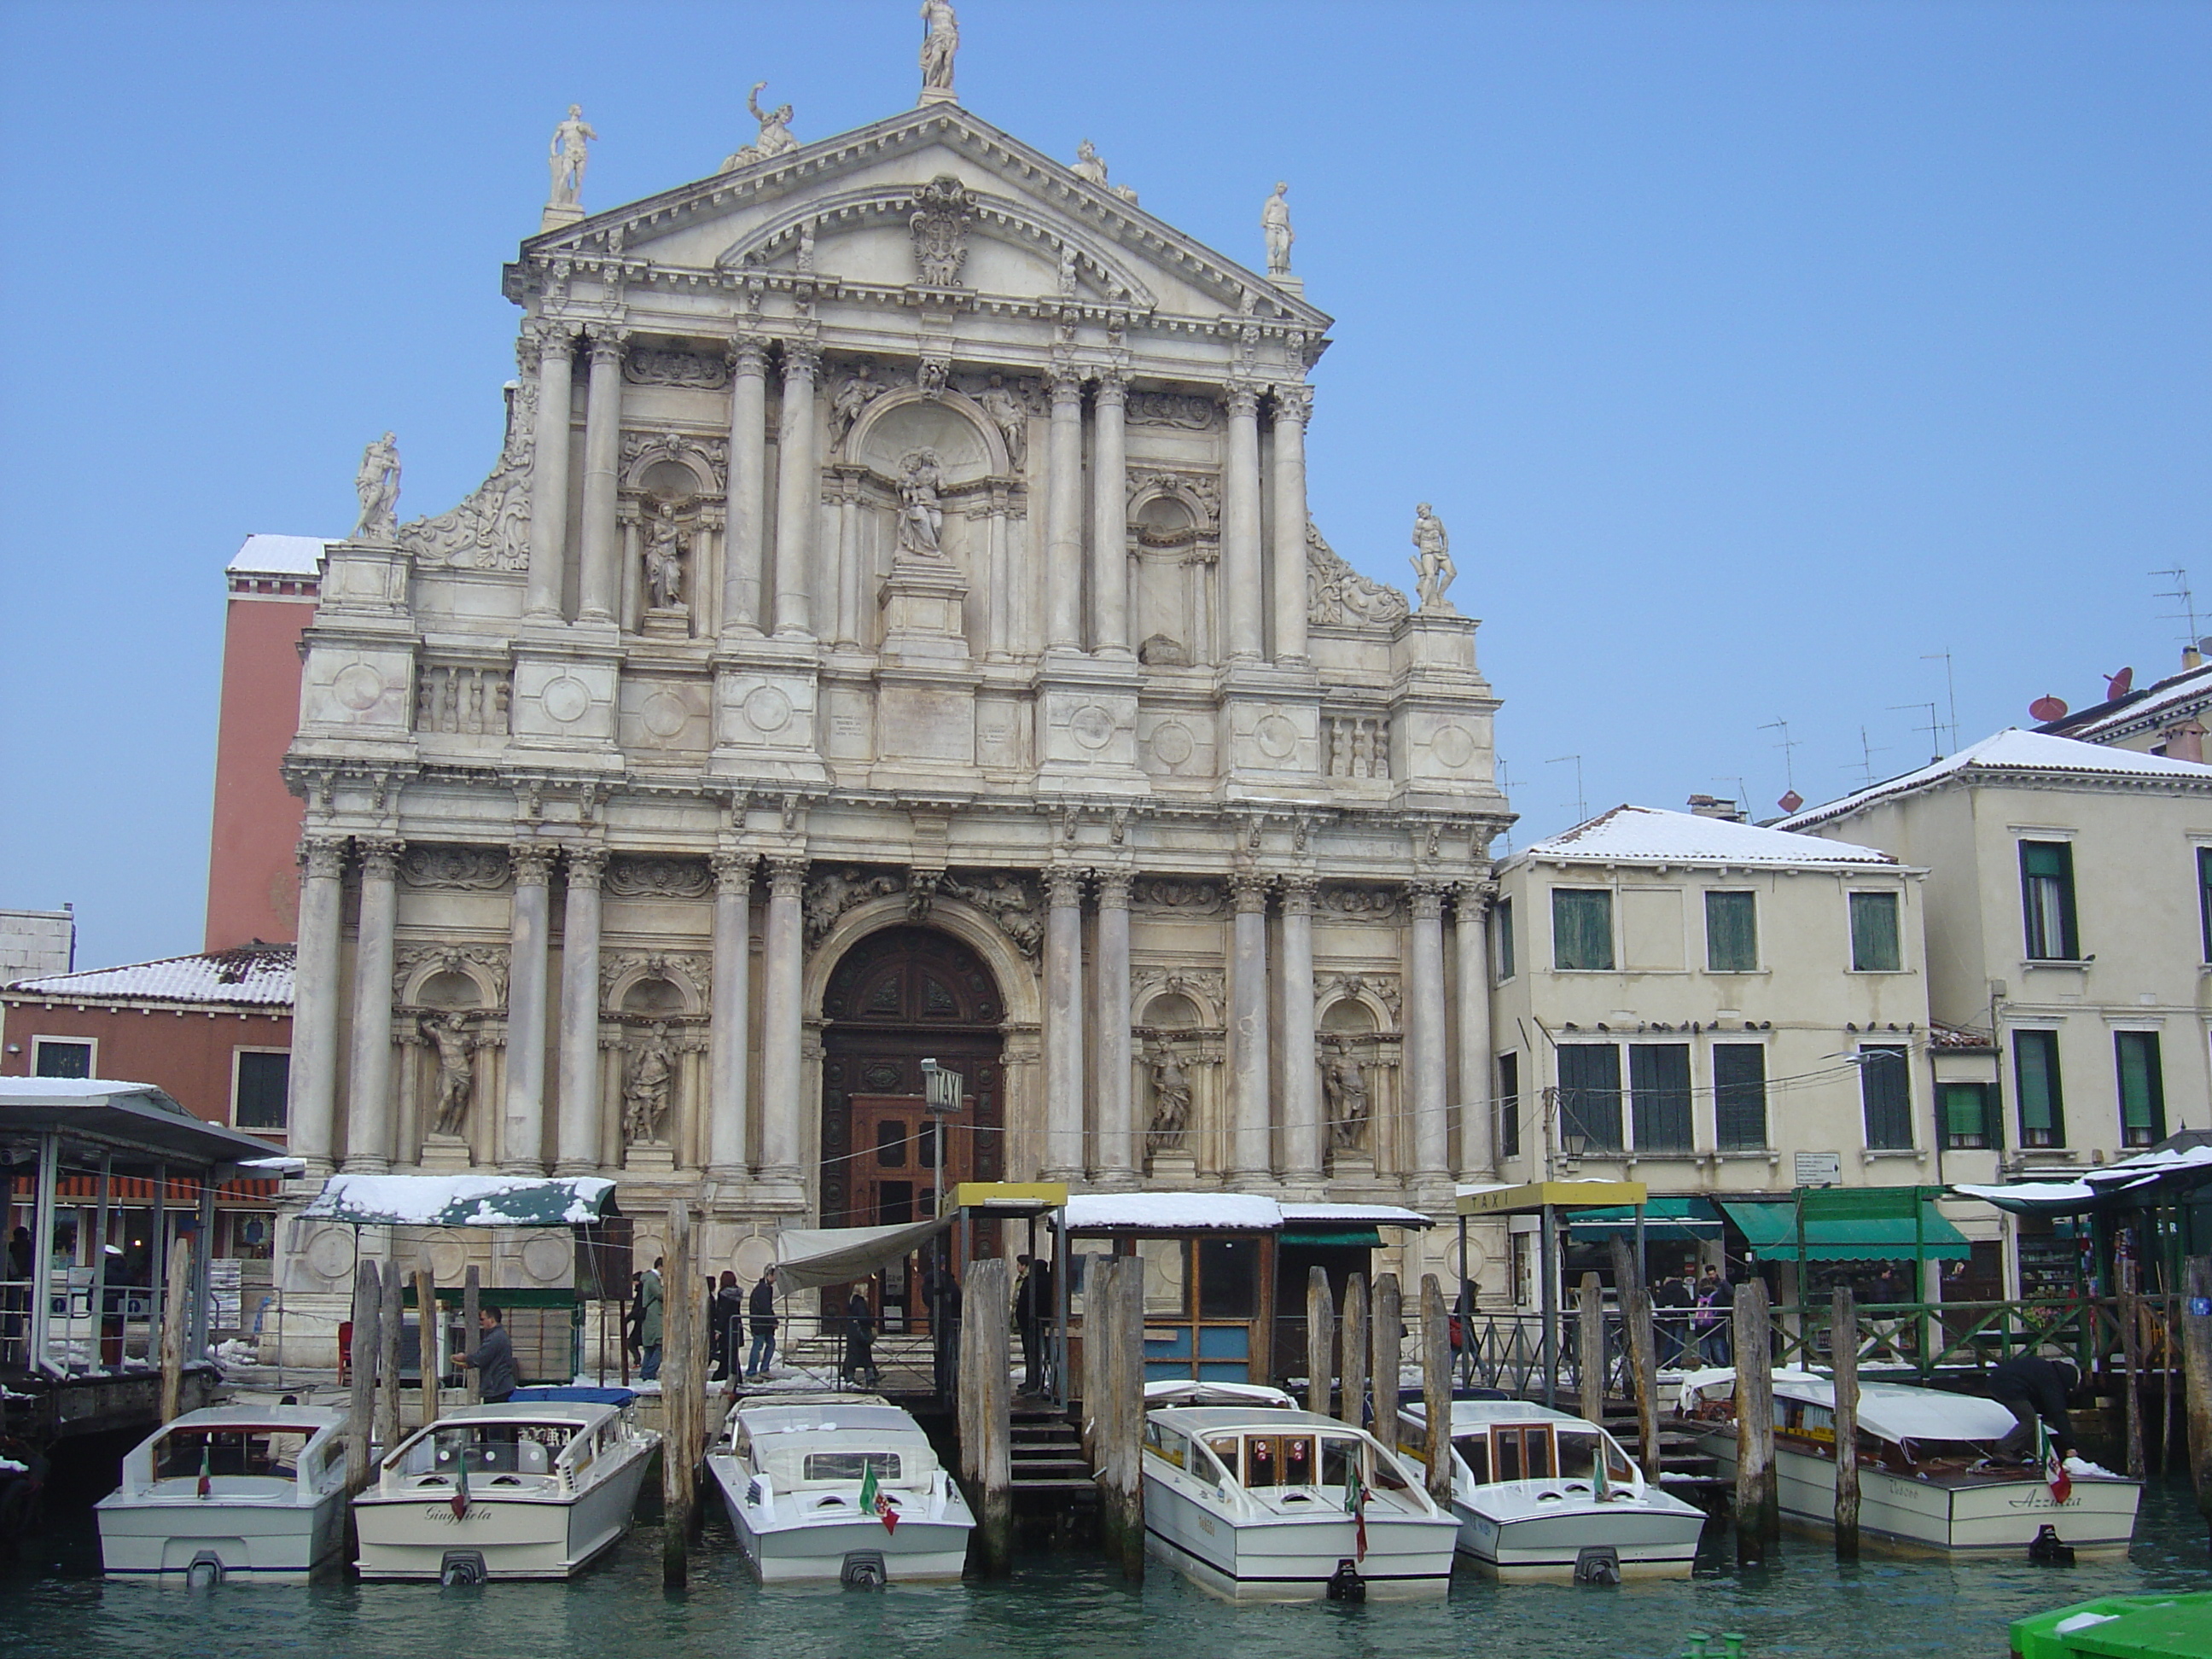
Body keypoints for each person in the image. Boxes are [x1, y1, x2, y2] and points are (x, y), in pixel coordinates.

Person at [1988, 1353, 2079, 1464]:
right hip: (2009, 1386)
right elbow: (2058, 1413)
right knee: (2029, 1420)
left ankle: (2025, 1451)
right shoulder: (2052, 1380)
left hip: (1997, 1379)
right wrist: (2070, 1445)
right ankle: (2004, 1450)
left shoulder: (2046, 1368)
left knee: (2031, 1417)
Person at [455, 1306, 518, 1403]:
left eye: (483, 1319)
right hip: (501, 1385)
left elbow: (481, 1358)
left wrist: (465, 1358)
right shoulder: (499, 1335)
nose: (481, 1322)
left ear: (491, 1320)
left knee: (493, 1415)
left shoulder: (495, 1338)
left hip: (496, 1387)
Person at [1015, 1254, 1052, 1394]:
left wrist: (1020, 1321)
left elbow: (1022, 1303)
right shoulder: (1050, 1281)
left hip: (1030, 1323)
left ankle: (1032, 1381)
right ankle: (1039, 1382)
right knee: (1043, 1355)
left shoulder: (1030, 1281)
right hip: (1045, 1322)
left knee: (1031, 1354)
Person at [1651, 1266, 1695, 1369]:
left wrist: (1664, 1314)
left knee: (1668, 1340)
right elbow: (1688, 1305)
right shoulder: (1683, 1291)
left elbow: (1659, 1304)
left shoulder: (1664, 1290)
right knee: (1678, 1341)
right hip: (1680, 1318)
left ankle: (1666, 1362)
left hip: (1667, 1319)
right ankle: (1676, 1362)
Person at [711, 1271, 747, 1382]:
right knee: (732, 1355)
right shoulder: (737, 1294)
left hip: (727, 1329)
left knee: (727, 1354)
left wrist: (718, 1330)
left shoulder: (724, 1294)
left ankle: (725, 1376)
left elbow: (723, 1313)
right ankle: (733, 1377)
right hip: (736, 1327)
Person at [1692, 1267, 1732, 1366]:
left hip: (1702, 1324)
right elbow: (1725, 1303)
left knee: (1704, 1346)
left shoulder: (1699, 1296)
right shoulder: (1717, 1294)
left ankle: (1704, 1365)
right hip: (1717, 1323)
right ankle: (1722, 1365)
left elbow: (1691, 1306)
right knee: (1718, 1346)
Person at [844, 1283, 880, 1388]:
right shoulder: (860, 1302)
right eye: (866, 1290)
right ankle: (870, 1377)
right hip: (860, 1332)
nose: (868, 1292)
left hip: (852, 1332)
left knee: (853, 1356)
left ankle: (850, 1376)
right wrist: (872, 1323)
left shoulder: (852, 1301)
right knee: (865, 1356)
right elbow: (863, 1317)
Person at [747, 1271, 779, 1379]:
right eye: (774, 1276)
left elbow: (767, 1307)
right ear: (768, 1275)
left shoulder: (766, 1288)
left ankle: (764, 1369)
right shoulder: (762, 1289)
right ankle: (752, 1371)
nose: (775, 1279)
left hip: (764, 1323)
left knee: (770, 1344)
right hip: (760, 1323)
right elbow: (765, 1308)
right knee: (758, 1346)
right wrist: (773, 1321)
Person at [637, 1259, 665, 1382]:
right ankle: (649, 1373)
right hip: (655, 1318)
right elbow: (661, 1294)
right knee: (660, 1345)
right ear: (661, 1267)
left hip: (651, 1318)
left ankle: (645, 1374)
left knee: (650, 1348)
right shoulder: (652, 1279)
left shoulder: (648, 1278)